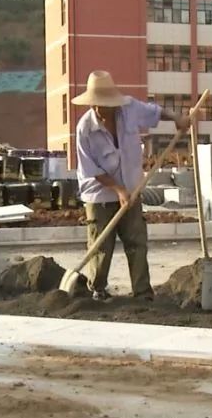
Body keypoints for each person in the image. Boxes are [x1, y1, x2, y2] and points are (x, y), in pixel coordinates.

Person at [73, 71, 190, 300]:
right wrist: (118, 190)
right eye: (95, 105)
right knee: (101, 247)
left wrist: (177, 118)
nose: (99, 110)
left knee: (137, 242)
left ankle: (142, 292)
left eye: (104, 105)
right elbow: (91, 170)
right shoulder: (84, 129)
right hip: (99, 195)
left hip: (132, 191)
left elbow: (155, 112)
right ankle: (97, 290)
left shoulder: (129, 109)